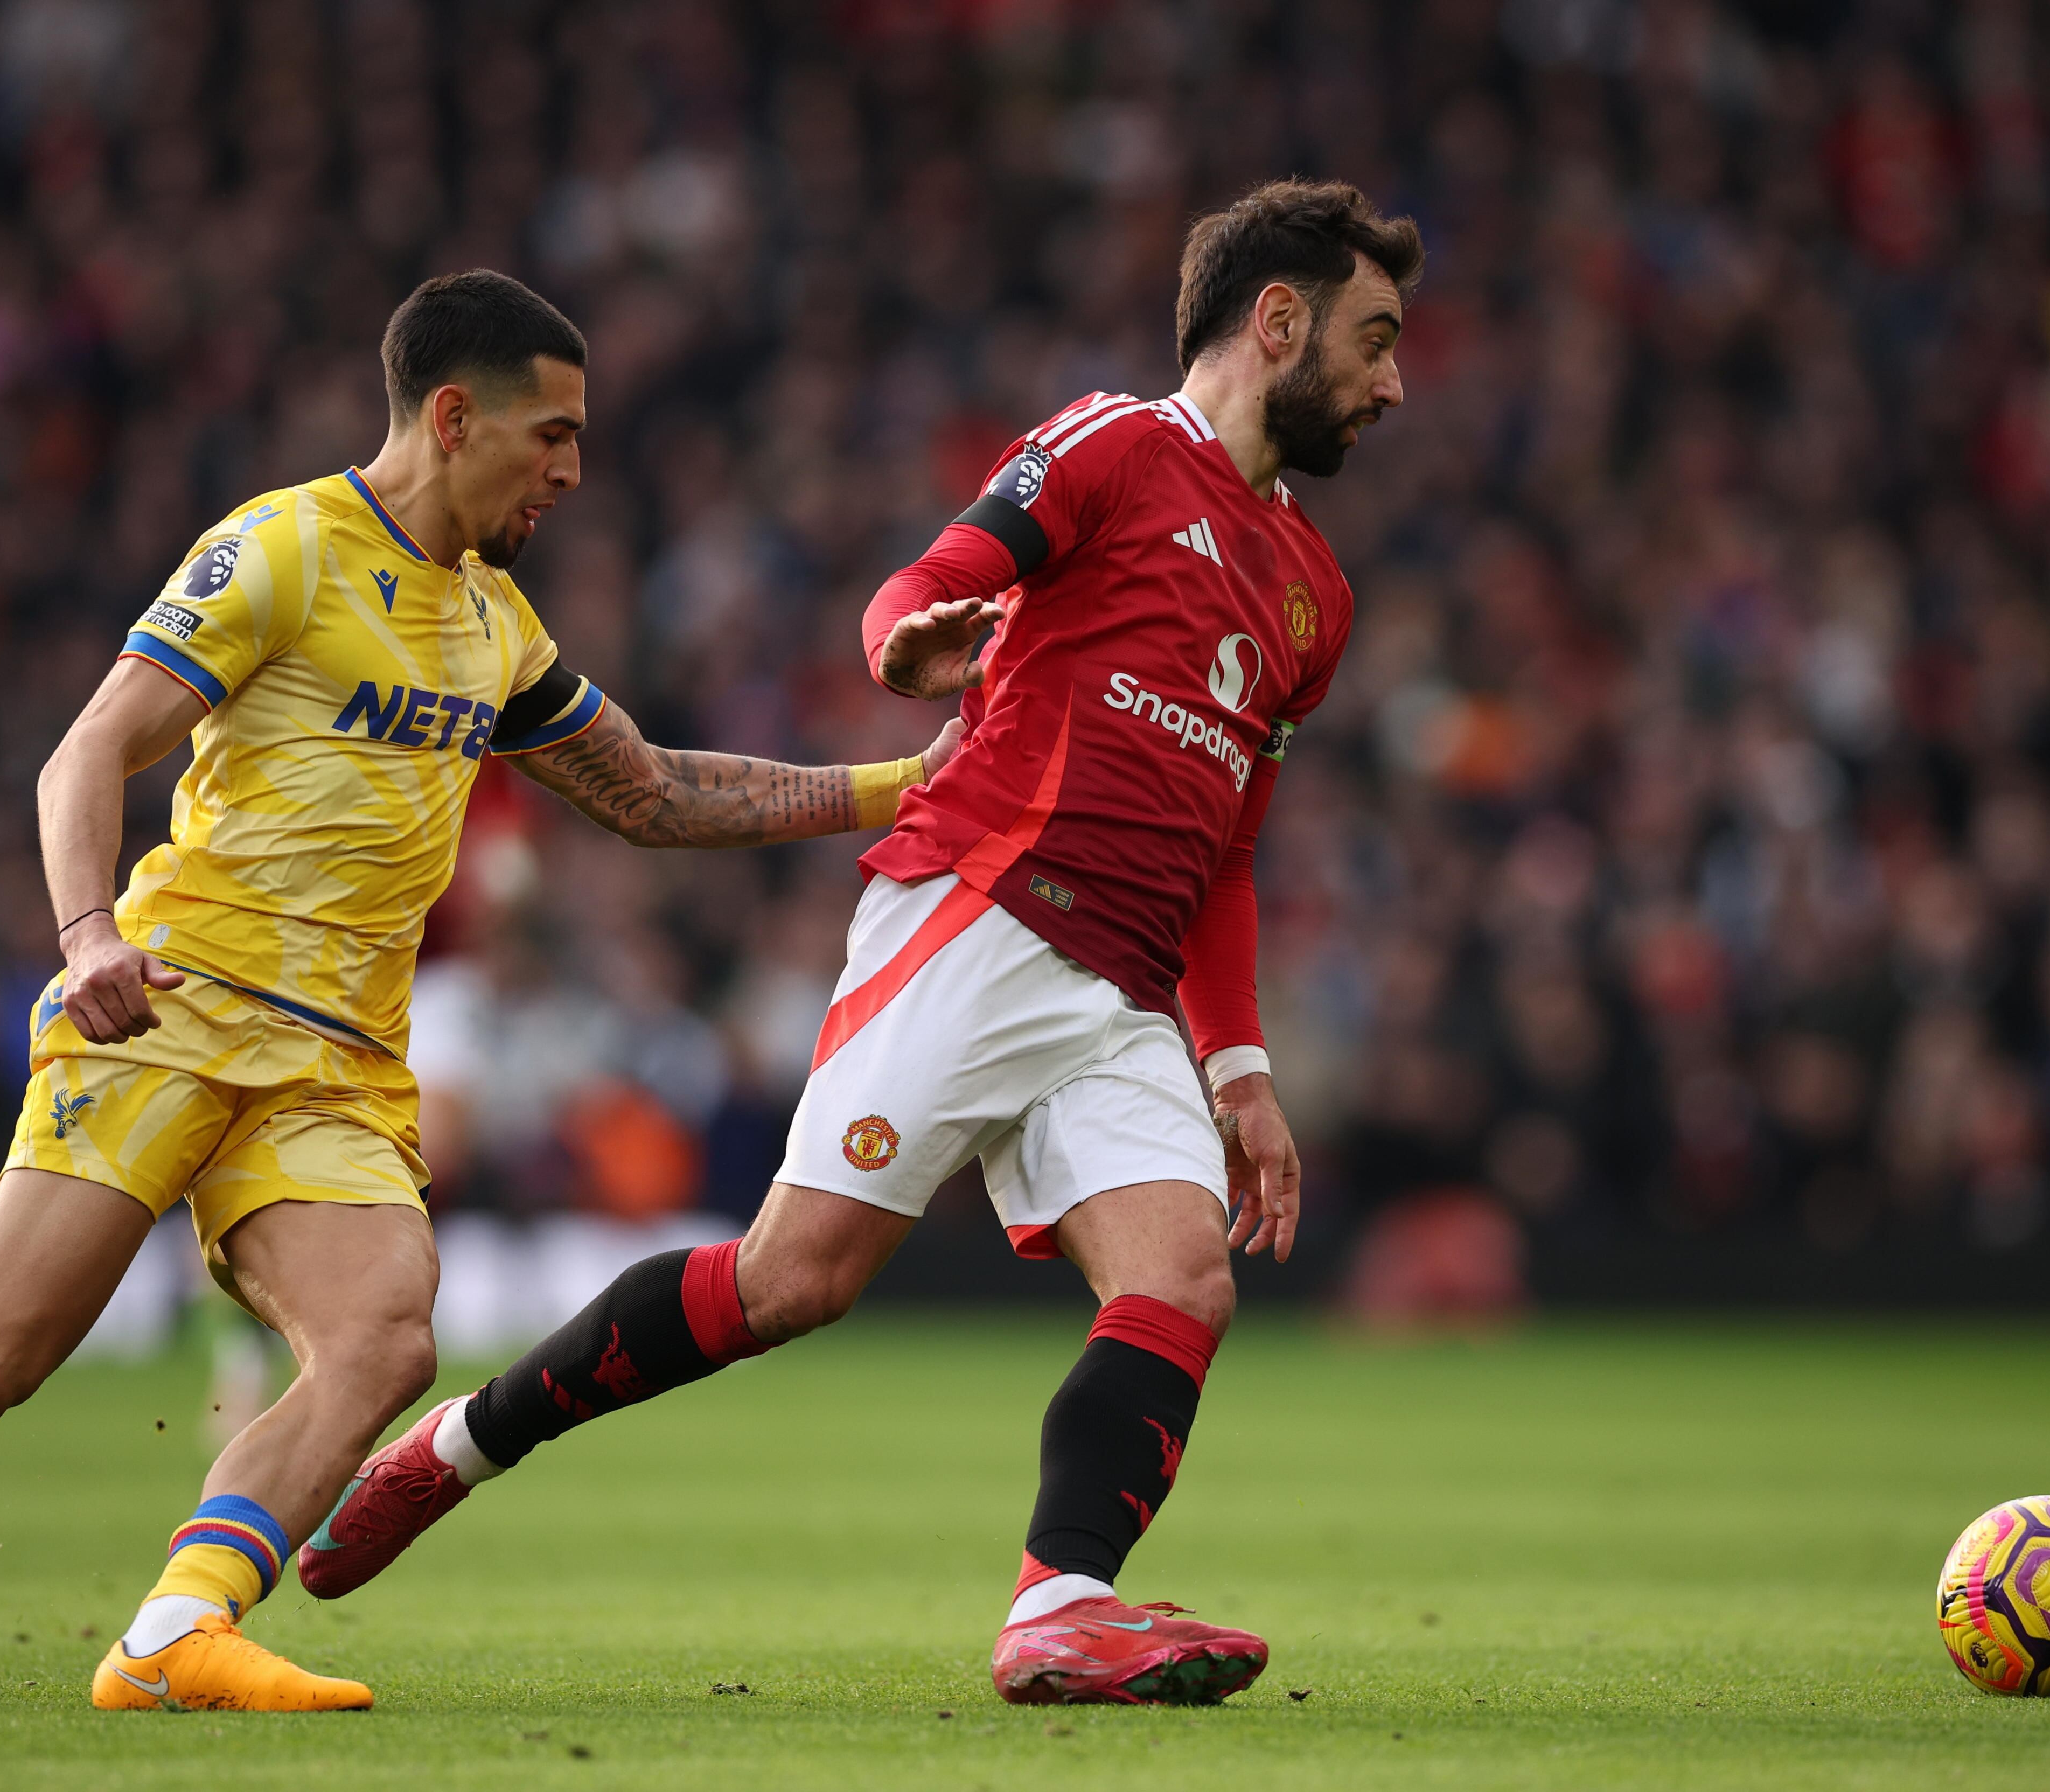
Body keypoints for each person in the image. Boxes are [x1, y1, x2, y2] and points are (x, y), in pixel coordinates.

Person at [0, 270, 956, 1714]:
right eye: (554, 435)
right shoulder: (280, 549)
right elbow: (86, 753)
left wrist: (908, 782)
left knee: (386, 1335)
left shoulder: (492, 624)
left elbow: (651, 794)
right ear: (454, 418)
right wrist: (87, 938)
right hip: (174, 1008)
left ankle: (173, 1634)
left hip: (334, 1066)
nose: (576, 471)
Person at [299, 182, 1420, 1707]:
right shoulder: (1110, 445)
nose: (1393, 380)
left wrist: (1238, 1066)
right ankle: (461, 1444)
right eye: (1374, 336)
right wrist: (904, 641)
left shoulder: (1316, 594)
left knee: (1182, 1280)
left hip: (1126, 994)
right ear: (1276, 321)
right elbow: (931, 578)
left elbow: (1228, 849)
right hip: (981, 913)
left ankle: (1060, 1607)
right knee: (790, 1285)